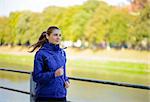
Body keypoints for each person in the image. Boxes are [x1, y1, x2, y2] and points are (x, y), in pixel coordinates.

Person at [29, 26, 70, 102]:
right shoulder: (41, 54)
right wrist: (53, 74)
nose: (58, 37)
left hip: (61, 95)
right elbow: (36, 77)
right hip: (45, 97)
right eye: (55, 35)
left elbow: (63, 73)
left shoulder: (62, 53)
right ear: (47, 36)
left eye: (60, 35)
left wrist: (66, 81)